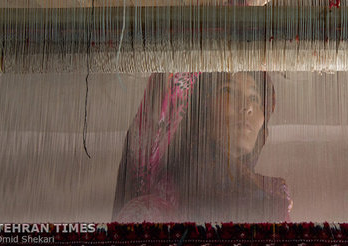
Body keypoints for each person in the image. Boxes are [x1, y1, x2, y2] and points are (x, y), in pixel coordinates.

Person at [113, 72, 292, 222]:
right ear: (203, 109)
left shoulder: (272, 190)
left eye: (254, 97)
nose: (247, 107)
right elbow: (162, 104)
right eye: (228, 91)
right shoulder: (164, 181)